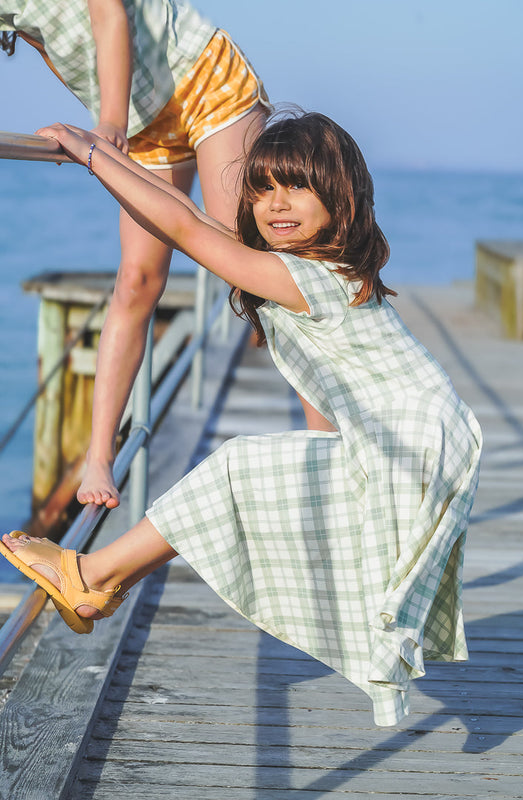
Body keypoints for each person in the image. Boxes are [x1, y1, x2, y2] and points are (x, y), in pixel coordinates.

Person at [0, 112, 482, 726]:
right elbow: (199, 219)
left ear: (341, 198)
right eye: (261, 189)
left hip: (410, 441)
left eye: (297, 187)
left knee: (238, 467)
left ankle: (90, 576)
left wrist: (90, 158)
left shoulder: (308, 276)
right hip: (415, 435)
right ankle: (97, 583)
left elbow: (183, 229)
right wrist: (104, 149)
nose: (275, 205)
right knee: (247, 472)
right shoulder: (318, 266)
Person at [0, 0, 271, 509]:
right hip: (143, 126)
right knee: (137, 280)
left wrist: (107, 123)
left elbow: (108, 13)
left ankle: (330, 432)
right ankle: (98, 455)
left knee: (250, 271)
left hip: (203, 82)